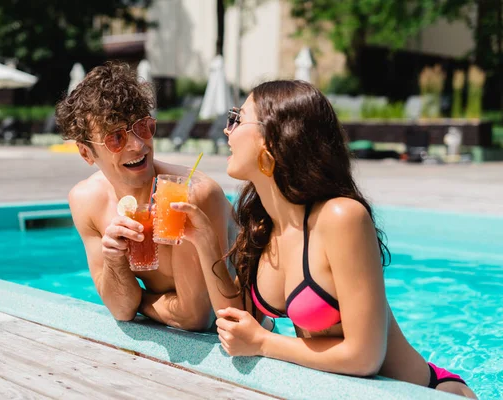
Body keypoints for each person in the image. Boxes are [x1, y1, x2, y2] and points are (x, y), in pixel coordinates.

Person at [170, 80, 477, 397]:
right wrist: (204, 242)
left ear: (272, 139)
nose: (227, 131)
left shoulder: (341, 218)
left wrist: (263, 342)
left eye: (238, 118)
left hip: (423, 393)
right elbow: (239, 322)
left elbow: (365, 356)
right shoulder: (263, 224)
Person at [55, 62, 232, 331]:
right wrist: (115, 259)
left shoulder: (188, 194)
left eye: (144, 127)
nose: (138, 145)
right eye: (116, 138)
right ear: (86, 153)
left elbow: (195, 317)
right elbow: (120, 309)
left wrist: (137, 301)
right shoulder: (87, 201)